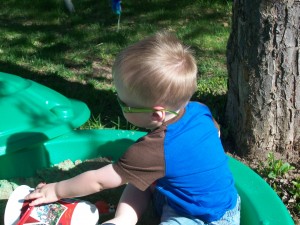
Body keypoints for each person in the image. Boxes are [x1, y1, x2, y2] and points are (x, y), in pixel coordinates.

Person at [25, 31, 240, 225]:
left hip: (202, 217)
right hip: (222, 200)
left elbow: (99, 181)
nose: (118, 102)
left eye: (122, 102)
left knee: (141, 174)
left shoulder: (153, 150)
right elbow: (216, 131)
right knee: (142, 177)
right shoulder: (198, 109)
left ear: (157, 114)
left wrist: (56, 190)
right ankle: (124, 220)